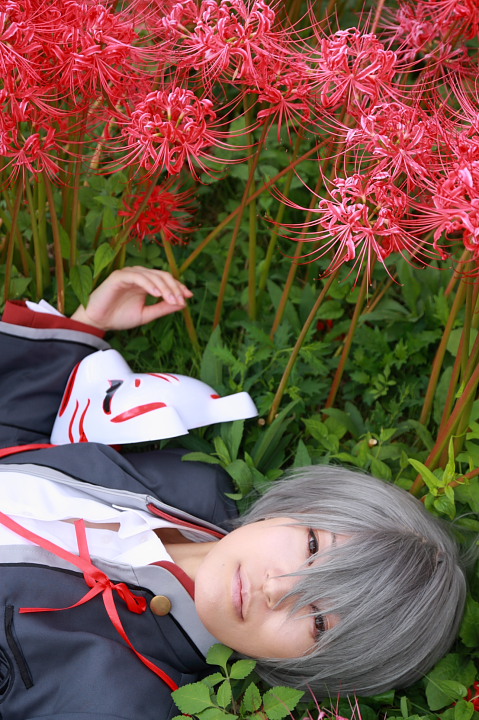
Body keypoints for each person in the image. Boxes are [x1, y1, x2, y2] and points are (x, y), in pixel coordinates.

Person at [0, 267, 466, 720]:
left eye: (318, 621)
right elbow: (23, 443)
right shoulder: (189, 480)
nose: (276, 589)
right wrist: (86, 324)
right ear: (296, 508)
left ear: (307, 670)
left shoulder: (118, 700)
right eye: (312, 546)